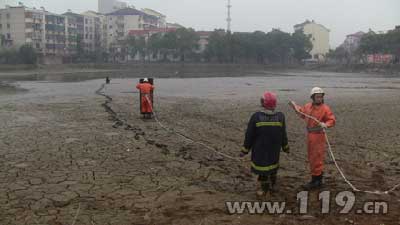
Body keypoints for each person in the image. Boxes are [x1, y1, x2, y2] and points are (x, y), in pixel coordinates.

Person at [241, 91, 290, 198]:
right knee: (273, 168)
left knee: (262, 171)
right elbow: (283, 134)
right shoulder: (280, 116)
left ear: (263, 103)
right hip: (274, 150)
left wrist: (245, 150)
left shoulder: (256, 117)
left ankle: (264, 190)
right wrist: (286, 147)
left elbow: (249, 135)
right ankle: (273, 185)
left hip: (260, 150)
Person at [289, 87, 336, 190]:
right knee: (312, 157)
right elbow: (302, 113)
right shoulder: (308, 106)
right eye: (317, 97)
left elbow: (332, 120)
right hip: (310, 135)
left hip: (319, 135)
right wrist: (294, 106)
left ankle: (316, 180)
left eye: (320, 96)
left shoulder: (325, 108)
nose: (319, 98)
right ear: (313, 97)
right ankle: (317, 178)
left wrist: (326, 124)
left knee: (317, 157)